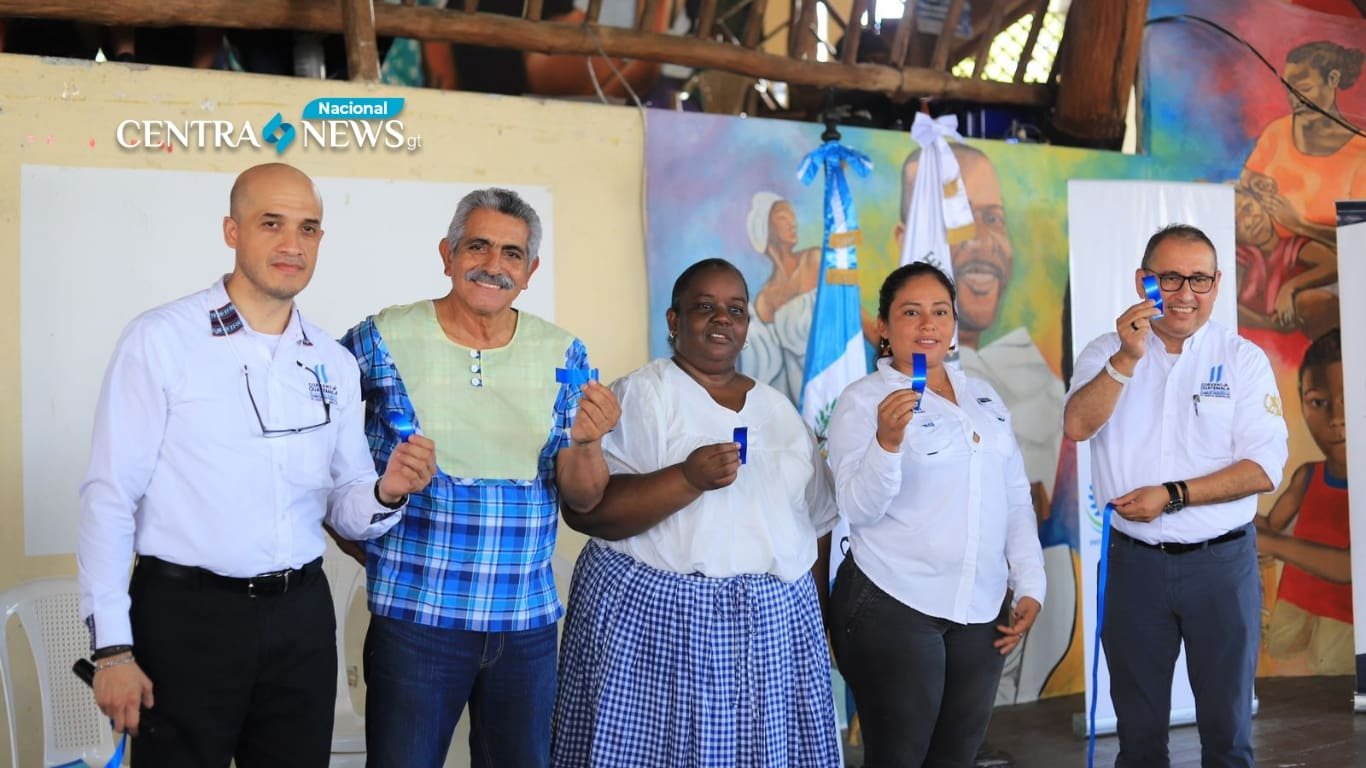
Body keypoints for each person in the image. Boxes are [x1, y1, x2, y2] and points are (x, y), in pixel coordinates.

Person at [78, 162, 437, 767]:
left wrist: (387, 489)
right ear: (232, 230)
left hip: (299, 619)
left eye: (309, 228)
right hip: (186, 617)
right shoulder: (162, 339)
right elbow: (109, 496)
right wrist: (113, 649)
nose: (292, 244)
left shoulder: (332, 361)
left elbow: (346, 504)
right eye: (271, 223)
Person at [340, 187, 619, 768]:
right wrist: (373, 550)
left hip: (525, 628)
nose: (494, 266)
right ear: (447, 255)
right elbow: (320, 452)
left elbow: (584, 498)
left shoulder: (563, 352)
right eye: (479, 246)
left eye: (512, 254)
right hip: (415, 623)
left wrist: (588, 443)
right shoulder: (382, 338)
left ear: (531, 270)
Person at [552, 258, 841, 767]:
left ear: (748, 326)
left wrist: (815, 627)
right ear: (674, 321)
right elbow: (592, 513)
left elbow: (815, 527)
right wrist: (686, 479)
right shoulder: (643, 394)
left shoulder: (780, 412)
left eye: (735, 310)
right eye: (704, 307)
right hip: (657, 633)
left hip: (769, 640)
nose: (721, 319)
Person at [1063, 224, 1288, 766]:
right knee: (1138, 736)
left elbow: (1264, 468)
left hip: (1222, 565)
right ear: (1144, 281)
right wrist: (1126, 359)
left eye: (1200, 279)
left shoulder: (1243, 361)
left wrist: (1174, 494)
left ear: (1216, 284)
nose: (1186, 293)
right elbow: (1075, 426)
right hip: (1133, 565)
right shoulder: (1104, 352)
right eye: (1170, 278)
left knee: (1227, 733)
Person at [825, 261, 1045, 766]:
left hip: (981, 608)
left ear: (952, 323)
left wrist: (1030, 582)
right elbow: (857, 507)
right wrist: (886, 443)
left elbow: (1012, 494)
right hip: (895, 604)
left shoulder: (983, 395)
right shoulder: (862, 402)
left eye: (940, 311)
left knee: (956, 757)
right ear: (884, 326)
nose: (928, 325)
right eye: (911, 312)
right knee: (900, 757)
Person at [1257, 328, 1351, 674]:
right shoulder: (1307, 476)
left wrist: (1270, 542)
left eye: (1350, 399)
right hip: (1293, 609)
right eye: (1319, 402)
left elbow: (1348, 567)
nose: (1336, 418)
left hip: (1344, 618)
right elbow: (1270, 527)